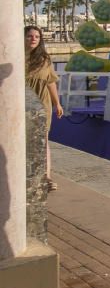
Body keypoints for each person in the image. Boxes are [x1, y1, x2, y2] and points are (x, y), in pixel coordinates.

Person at [24, 26, 63, 193]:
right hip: (21, 104)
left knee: (43, 140)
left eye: (37, 37)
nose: (33, 39)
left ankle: (46, 177)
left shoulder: (44, 59)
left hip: (42, 104)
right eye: (29, 36)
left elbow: (50, 82)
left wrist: (57, 103)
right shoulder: (13, 56)